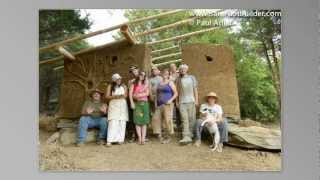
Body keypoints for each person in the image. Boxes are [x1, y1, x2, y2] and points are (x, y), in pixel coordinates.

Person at [176, 64, 199, 145]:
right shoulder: (178, 79)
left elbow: (195, 89)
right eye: (181, 69)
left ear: (187, 70)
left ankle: (191, 136)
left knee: (192, 119)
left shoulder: (192, 78)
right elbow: (177, 92)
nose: (182, 70)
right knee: (184, 119)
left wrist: (196, 100)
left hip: (191, 100)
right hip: (182, 101)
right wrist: (177, 101)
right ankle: (185, 136)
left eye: (184, 69)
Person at [154, 69, 178, 143]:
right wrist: (155, 103)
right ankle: (160, 135)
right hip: (159, 104)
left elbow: (176, 93)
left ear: (168, 75)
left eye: (167, 73)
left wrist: (170, 100)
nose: (165, 74)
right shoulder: (159, 83)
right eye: (164, 73)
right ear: (162, 74)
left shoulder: (170, 83)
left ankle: (168, 137)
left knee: (167, 120)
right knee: (156, 119)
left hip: (167, 104)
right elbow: (156, 94)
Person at [105, 73, 128, 147]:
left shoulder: (124, 86)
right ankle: (110, 140)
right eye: (117, 79)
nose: (119, 80)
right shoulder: (110, 86)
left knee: (122, 122)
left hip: (122, 105)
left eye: (120, 79)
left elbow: (126, 95)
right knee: (113, 122)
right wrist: (115, 96)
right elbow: (107, 96)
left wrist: (122, 96)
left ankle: (120, 139)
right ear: (114, 80)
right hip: (114, 104)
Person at [129, 71, 150, 145]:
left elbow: (147, 93)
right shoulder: (133, 84)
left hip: (145, 104)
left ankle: (143, 139)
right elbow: (130, 94)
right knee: (137, 121)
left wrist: (137, 95)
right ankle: (139, 138)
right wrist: (132, 102)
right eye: (141, 74)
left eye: (144, 75)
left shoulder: (145, 84)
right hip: (137, 104)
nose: (142, 76)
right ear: (139, 75)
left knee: (144, 121)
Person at [149, 66, 163, 140]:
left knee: (161, 114)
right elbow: (150, 89)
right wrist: (151, 96)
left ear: (158, 71)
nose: (154, 71)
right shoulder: (150, 80)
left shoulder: (161, 78)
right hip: (154, 98)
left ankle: (160, 130)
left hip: (161, 98)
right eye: (152, 70)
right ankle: (156, 131)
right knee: (155, 115)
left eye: (155, 70)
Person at [127, 65, 140, 142]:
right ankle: (133, 135)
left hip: (141, 100)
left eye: (134, 70)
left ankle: (140, 135)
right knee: (132, 118)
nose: (133, 72)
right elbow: (130, 92)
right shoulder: (130, 81)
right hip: (132, 100)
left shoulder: (143, 78)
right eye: (132, 71)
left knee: (140, 117)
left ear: (138, 70)